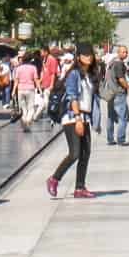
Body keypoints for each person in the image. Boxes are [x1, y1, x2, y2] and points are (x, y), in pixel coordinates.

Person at [46, 43, 97, 199]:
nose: (88, 57)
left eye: (90, 55)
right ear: (78, 57)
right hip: (73, 117)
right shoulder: (74, 74)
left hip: (85, 117)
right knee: (75, 153)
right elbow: (72, 96)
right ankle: (54, 179)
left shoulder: (89, 75)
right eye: (85, 55)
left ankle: (80, 187)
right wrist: (78, 118)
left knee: (85, 153)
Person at [105, 48, 129, 145]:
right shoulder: (119, 64)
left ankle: (110, 139)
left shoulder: (111, 63)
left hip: (110, 93)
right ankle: (121, 139)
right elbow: (121, 79)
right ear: (118, 53)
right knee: (122, 118)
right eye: (123, 52)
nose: (126, 54)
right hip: (119, 93)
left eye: (126, 52)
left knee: (110, 117)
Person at [13, 51, 41, 131]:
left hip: (20, 89)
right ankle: (28, 120)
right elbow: (36, 79)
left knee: (23, 108)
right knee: (31, 107)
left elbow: (16, 81)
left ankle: (25, 124)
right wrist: (39, 89)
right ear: (30, 59)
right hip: (30, 89)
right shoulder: (33, 68)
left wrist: (13, 91)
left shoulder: (18, 68)